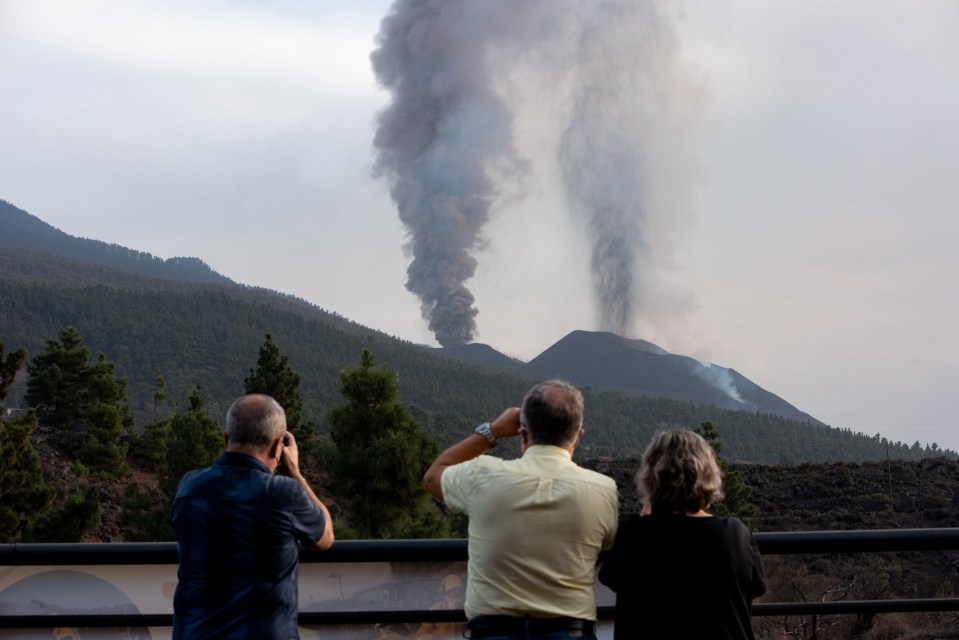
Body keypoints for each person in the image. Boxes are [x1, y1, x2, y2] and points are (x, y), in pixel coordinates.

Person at [423, 379, 619, 640]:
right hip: (570, 632)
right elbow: (606, 545)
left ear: (522, 434)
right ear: (578, 435)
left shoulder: (483, 475)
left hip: (493, 631)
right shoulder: (603, 490)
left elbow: (433, 477)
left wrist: (491, 432)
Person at [172, 393, 334, 640]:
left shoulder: (189, 488)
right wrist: (296, 474)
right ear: (278, 446)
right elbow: (326, 537)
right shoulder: (282, 493)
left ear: (226, 438)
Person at [598, 429, 766, 640]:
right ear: (708, 475)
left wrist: (644, 520)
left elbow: (611, 579)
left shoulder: (632, 534)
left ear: (651, 477)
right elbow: (756, 586)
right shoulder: (734, 535)